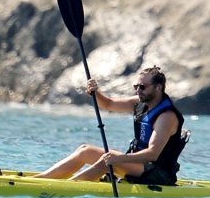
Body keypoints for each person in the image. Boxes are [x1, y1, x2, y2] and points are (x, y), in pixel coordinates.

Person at [34, 66, 188, 185]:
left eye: (142, 87)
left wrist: (119, 158)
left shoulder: (166, 117)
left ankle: (66, 187)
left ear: (158, 87)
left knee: (107, 161)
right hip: (138, 165)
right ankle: (40, 179)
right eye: (136, 87)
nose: (138, 90)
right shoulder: (140, 103)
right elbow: (108, 104)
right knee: (84, 151)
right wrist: (95, 92)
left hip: (157, 173)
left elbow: (153, 154)